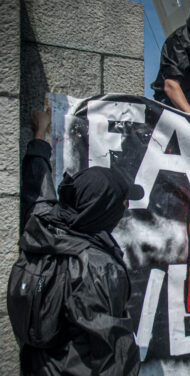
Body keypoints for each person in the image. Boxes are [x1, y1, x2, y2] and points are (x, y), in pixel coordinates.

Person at [7, 110, 140, 375]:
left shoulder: (42, 225)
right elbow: (114, 356)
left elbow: (36, 187)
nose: (124, 211)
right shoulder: (99, 267)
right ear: (104, 210)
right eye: (121, 205)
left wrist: (39, 136)